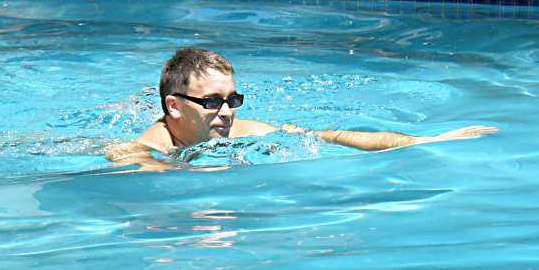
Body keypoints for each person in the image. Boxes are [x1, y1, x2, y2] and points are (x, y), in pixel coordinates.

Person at [103, 48, 497, 172]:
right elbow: (125, 159)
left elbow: (332, 136)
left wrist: (424, 140)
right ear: (173, 107)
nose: (226, 112)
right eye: (211, 102)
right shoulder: (149, 148)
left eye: (232, 100)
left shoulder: (242, 131)